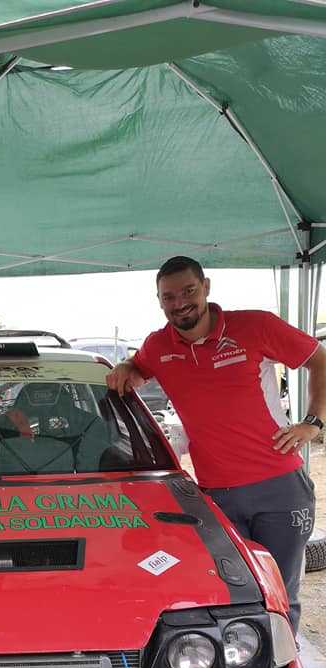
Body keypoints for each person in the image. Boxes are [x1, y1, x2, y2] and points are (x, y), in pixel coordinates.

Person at [106, 255, 326, 634]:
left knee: (279, 594)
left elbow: (319, 359)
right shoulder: (158, 346)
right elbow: (137, 370)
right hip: (216, 495)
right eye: (169, 297)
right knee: (229, 595)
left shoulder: (255, 326)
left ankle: (280, 667)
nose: (180, 303)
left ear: (206, 287)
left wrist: (312, 422)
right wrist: (127, 367)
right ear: (159, 301)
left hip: (279, 489)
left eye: (188, 291)